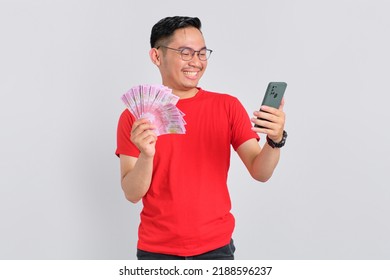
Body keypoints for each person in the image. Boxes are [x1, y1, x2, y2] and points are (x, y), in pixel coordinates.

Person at [116, 16, 287, 260]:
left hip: (216, 249)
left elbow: (260, 172)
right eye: (185, 53)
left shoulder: (227, 106)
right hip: (157, 252)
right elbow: (132, 193)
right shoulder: (135, 116)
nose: (195, 62)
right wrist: (146, 154)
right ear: (156, 56)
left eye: (202, 53)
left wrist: (274, 139)